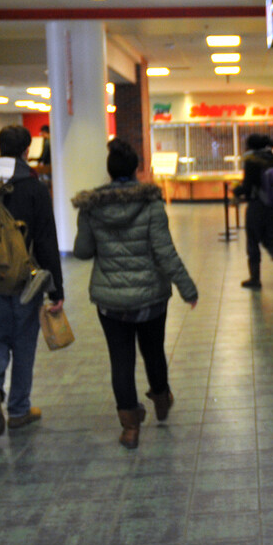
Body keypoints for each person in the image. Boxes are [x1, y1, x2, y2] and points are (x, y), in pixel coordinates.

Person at [72, 139, 198, 449]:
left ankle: (129, 427)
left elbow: (83, 251)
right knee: (153, 350)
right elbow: (164, 252)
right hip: (150, 298)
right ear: (136, 169)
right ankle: (161, 396)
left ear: (109, 170)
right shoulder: (151, 204)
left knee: (121, 359)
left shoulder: (91, 207)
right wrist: (187, 287)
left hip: (110, 300)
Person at [0, 125, 64, 436]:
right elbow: (46, 240)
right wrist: (56, 288)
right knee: (23, 342)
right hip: (25, 281)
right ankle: (18, 409)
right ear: (26, 151)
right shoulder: (33, 188)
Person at [234, 133, 273, 289]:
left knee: (253, 242)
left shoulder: (251, 161)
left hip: (256, 207)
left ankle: (255, 279)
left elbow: (247, 186)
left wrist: (237, 190)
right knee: (271, 239)